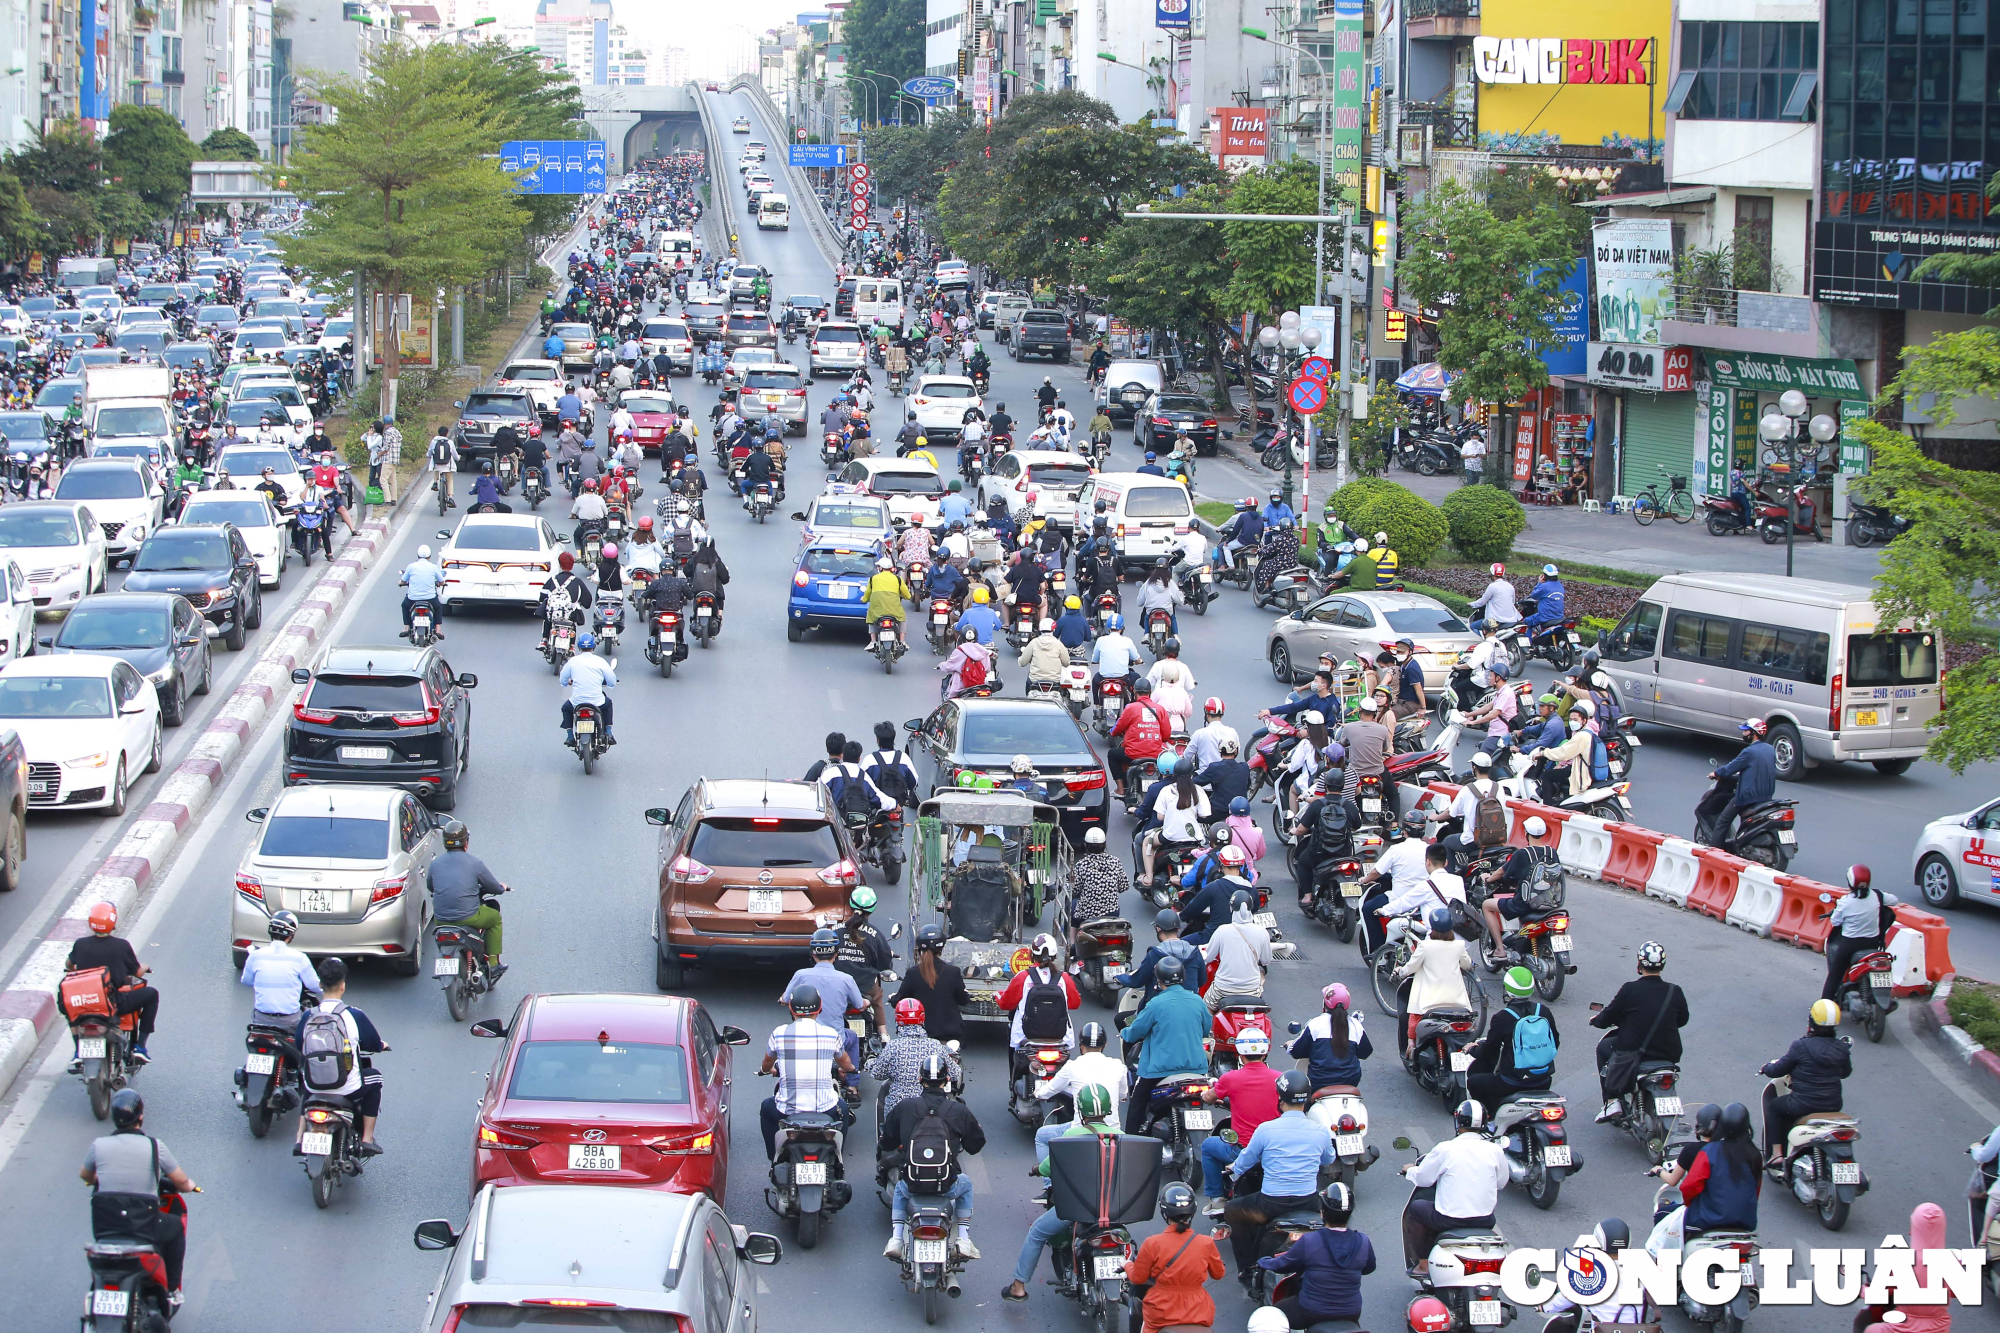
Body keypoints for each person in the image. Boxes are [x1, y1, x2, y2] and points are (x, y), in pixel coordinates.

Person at [1001, 1083, 1121, 1303]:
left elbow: (1047, 1167)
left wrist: (1037, 1170)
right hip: (1114, 1209)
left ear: (1080, 1110)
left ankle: (1018, 1287)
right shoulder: (1121, 1136)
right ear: (1108, 1109)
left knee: (1037, 1232)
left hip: (1077, 1209)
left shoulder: (1070, 1136)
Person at [82, 1090, 199, 1304]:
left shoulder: (98, 1145)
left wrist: (95, 1179)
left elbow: (85, 1176)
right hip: (141, 1225)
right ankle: (172, 1290)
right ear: (141, 1117)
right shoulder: (155, 1146)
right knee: (174, 1229)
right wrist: (190, 1186)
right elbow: (181, 1181)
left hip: (106, 1226)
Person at [1222, 1070, 1335, 1290]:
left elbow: (1245, 1161)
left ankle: (1247, 1269)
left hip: (1270, 1204)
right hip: (1308, 1201)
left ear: (1280, 1098)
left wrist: (1232, 1168)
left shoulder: (1266, 1130)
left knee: (1232, 1211)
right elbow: (1328, 1158)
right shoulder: (1319, 1131)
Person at [880, 1051, 985, 1261]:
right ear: (947, 1080)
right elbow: (975, 1146)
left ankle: (896, 1238)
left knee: (900, 1188)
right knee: (967, 1184)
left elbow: (887, 1142)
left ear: (920, 1079)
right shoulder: (958, 1110)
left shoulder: (905, 1106)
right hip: (947, 1184)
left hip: (913, 1183)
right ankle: (963, 1238)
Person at [1400, 1099, 1509, 1274]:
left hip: (1448, 1220)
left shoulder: (1446, 1149)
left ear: (1458, 1122)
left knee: (1416, 1209)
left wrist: (1410, 1170)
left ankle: (1424, 1265)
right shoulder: (1495, 1150)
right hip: (1485, 1220)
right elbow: (1501, 1183)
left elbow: (1424, 1180)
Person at [1591, 939, 1689, 1122]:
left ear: (1639, 963)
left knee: (1604, 1048)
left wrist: (1597, 1020)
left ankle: (1612, 1101)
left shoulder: (1630, 989)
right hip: (1668, 1053)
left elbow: (1608, 1016)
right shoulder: (1674, 991)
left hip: (1634, 1052)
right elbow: (1682, 1020)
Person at [298, 957, 387, 1155]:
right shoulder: (354, 1015)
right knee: (376, 1078)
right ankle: (366, 1138)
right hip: (348, 1088)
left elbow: (299, 1046)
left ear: (320, 985)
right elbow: (373, 1043)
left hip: (314, 1086)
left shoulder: (308, 1015)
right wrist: (382, 1045)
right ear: (343, 986)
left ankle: (299, 1136)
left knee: (302, 1076)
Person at [1258, 1181, 1376, 1330]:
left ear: (1322, 1213)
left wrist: (1263, 1261)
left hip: (1311, 1310)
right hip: (1351, 1312)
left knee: (1269, 1316)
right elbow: (1368, 1268)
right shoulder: (1363, 1241)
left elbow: (1283, 1265)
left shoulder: (1310, 1241)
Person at [1646, 1102, 1761, 1254]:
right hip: (1746, 1221)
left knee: (1663, 1214)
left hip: (1709, 1219)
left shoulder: (1710, 1151)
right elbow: (1756, 1190)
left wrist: (1691, 1206)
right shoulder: (1755, 1155)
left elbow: (1689, 1187)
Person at [759, 984, 856, 1160]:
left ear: (791, 1008)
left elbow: (766, 1064)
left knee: (767, 1107)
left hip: (786, 1110)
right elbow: (845, 1062)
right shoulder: (830, 1034)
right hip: (825, 1109)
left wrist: (767, 1070)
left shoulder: (779, 1033)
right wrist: (849, 1069)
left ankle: (775, 1158)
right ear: (819, 1009)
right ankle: (837, 1157)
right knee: (843, 1108)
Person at [61, 902, 158, 1068]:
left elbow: (70, 965)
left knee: (70, 1009)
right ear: (113, 922)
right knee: (152, 994)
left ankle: (78, 1049)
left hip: (84, 1003)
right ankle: (140, 1047)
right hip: (113, 1003)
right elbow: (137, 972)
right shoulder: (121, 946)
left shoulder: (80, 944)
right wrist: (146, 966)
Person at [1122, 955, 1211, 1134]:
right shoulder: (1198, 1001)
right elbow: (1205, 1030)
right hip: (1196, 1069)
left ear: (1159, 980)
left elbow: (1134, 1033)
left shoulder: (1155, 1004)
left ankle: (1129, 1144)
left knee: (1138, 1099)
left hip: (1159, 1069)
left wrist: (1125, 1032)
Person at [1760, 999, 1852, 1167]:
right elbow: (1846, 1073)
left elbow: (1778, 1070)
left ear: (1811, 1021)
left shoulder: (1801, 1046)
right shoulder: (1842, 1048)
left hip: (1802, 1104)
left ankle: (1777, 1155)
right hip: (1833, 1105)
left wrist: (1766, 1068)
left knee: (1774, 1107)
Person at [1126, 1183, 1226, 1333]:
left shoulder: (1152, 1243)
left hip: (1161, 1310)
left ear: (1165, 1213)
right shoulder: (1206, 1242)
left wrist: (1127, 1264)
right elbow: (1218, 1274)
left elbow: (1138, 1278)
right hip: (1198, 1310)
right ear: (1192, 1212)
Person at [1198, 1027, 1279, 1208]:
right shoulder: (1279, 1079)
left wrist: (1205, 1096)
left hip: (1241, 1150)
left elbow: (1210, 1096)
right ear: (1265, 1053)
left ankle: (1216, 1198)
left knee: (1208, 1146)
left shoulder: (1231, 1078)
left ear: (1240, 1054)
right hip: (1273, 1149)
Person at [1463, 966, 1558, 1120]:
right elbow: (1555, 1042)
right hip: (1544, 1080)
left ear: (1508, 990)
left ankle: (1491, 1119)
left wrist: (1473, 1049)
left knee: (1474, 1082)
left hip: (1512, 1082)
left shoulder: (1503, 1017)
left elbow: (1489, 1051)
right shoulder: (1543, 1011)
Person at [1033, 1021, 1128, 1162]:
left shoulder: (1072, 1066)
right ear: (1105, 1045)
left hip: (1081, 1131)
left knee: (1041, 1136)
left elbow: (1048, 1091)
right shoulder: (1118, 1066)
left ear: (1081, 1047)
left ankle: (1048, 1184)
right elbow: (1123, 1095)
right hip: (1112, 1132)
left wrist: (1037, 1092)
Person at [425, 820, 508, 982]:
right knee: (495, 919)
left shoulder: (435, 864)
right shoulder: (474, 863)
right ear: (466, 842)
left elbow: (431, 886)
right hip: (468, 916)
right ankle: (493, 964)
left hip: (441, 919)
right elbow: (494, 887)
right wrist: (502, 888)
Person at [867, 998, 961, 1139]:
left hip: (899, 1111)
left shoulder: (893, 1047)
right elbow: (955, 1073)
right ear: (922, 1018)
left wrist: (869, 1061)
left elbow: (877, 1073)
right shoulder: (935, 1046)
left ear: (898, 1020)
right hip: (934, 1109)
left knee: (886, 1142)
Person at [1477, 815, 1560, 966]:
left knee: (1487, 905)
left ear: (1526, 833)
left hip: (1525, 903)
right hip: (1551, 902)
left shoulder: (1522, 854)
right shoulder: (1552, 852)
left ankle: (1500, 950)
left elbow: (1503, 873)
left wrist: (1488, 878)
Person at [1393, 908, 1473, 1059]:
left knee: (1413, 1017)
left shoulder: (1425, 946)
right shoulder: (1458, 946)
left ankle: (1411, 1045)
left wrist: (1399, 971)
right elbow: (1467, 964)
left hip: (1429, 1003)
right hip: (1457, 1002)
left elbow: (1410, 968)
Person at [1823, 865, 1896, 1002]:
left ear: (1850, 882)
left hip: (1849, 944)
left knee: (1834, 976)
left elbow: (1835, 922)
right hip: (1873, 942)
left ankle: (1825, 1004)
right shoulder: (1877, 896)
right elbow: (1894, 900)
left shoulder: (1845, 901)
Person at [238, 910, 322, 1026]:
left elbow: (246, 981)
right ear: (291, 935)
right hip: (290, 1020)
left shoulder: (255, 956)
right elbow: (315, 986)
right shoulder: (299, 958)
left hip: (261, 1019)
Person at [895, 923, 973, 1046]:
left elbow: (899, 1001)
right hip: (949, 1036)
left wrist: (893, 998)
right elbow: (962, 1000)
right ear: (941, 947)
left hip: (920, 1036)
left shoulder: (913, 973)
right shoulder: (953, 972)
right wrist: (966, 996)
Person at [1203, 891, 1273, 1008]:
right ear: (1251, 907)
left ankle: (1210, 1026)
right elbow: (1265, 960)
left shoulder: (1222, 930)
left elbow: (1208, 957)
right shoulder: (1262, 931)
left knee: (1205, 1009)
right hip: (1251, 990)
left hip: (1222, 989)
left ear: (1231, 908)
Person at [1109, 678, 1173, 792]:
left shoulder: (1131, 708)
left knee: (1112, 754)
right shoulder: (1160, 709)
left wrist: (1113, 731)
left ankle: (1120, 788)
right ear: (1150, 693)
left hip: (1132, 754)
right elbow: (1166, 736)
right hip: (1156, 754)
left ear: (1134, 692)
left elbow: (1116, 731)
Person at [558, 630, 617, 746]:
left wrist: (567, 682)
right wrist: (610, 684)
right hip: (597, 702)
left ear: (579, 646)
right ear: (594, 646)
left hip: (577, 703)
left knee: (566, 708)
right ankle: (609, 733)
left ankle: (570, 736)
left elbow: (563, 680)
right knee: (608, 704)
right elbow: (611, 681)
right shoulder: (600, 661)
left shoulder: (572, 661)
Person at [939, 625, 996, 699]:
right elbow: (987, 669)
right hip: (981, 685)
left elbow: (948, 666)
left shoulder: (959, 651)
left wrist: (941, 665)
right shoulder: (982, 651)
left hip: (961, 687)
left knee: (950, 701)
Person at [1520, 564, 1566, 640]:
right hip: (1559, 616)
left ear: (1544, 575)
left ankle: (1528, 646)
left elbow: (1534, 595)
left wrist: (1539, 582)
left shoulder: (1544, 586)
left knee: (1526, 622)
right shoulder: (1560, 585)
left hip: (1545, 617)